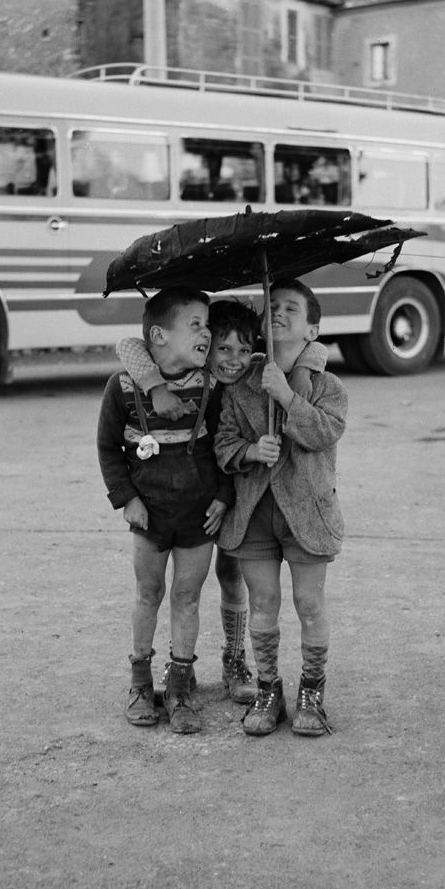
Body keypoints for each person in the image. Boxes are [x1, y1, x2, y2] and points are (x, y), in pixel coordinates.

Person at [116, 299, 327, 704]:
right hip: (198, 493)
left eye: (242, 351)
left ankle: (234, 660)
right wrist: (156, 386)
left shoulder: (255, 370)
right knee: (178, 589)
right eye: (222, 349)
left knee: (232, 576)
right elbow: (128, 344)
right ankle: (179, 665)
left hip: (239, 495)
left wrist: (303, 368)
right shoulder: (192, 374)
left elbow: (315, 346)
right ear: (207, 344)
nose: (233, 360)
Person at [96, 286, 233, 734]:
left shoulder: (211, 388)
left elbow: (224, 446)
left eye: (207, 325)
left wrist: (223, 496)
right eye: (195, 324)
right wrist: (127, 499)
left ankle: (179, 687)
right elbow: (109, 449)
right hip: (148, 517)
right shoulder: (122, 387)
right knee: (148, 594)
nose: (207, 334)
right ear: (158, 336)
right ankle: (139, 682)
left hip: (198, 517)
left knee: (188, 598)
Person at [214, 279, 347, 737]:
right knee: (264, 603)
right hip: (254, 513)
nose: (277, 312)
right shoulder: (241, 385)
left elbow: (325, 433)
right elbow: (223, 442)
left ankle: (313, 690)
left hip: (307, 513)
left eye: (291, 308)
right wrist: (251, 452)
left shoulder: (328, 385)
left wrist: (287, 396)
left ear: (312, 331)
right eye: (272, 305)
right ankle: (269, 687)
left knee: (309, 602)